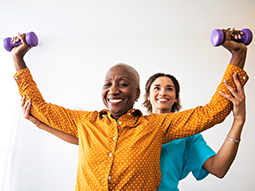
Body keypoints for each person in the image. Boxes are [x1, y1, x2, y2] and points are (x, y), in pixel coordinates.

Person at [11, 27, 248, 190]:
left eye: (123, 84)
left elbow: (212, 113)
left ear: (136, 95)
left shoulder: (157, 127)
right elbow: (40, 109)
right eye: (108, 84)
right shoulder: (86, 124)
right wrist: (18, 58)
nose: (113, 90)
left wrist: (237, 56)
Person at [142, 72, 246, 190]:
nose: (162, 92)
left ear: (176, 98)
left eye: (169, 89)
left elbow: (218, 168)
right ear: (148, 96)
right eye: (157, 88)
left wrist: (239, 120)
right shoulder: (134, 128)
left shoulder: (188, 135)